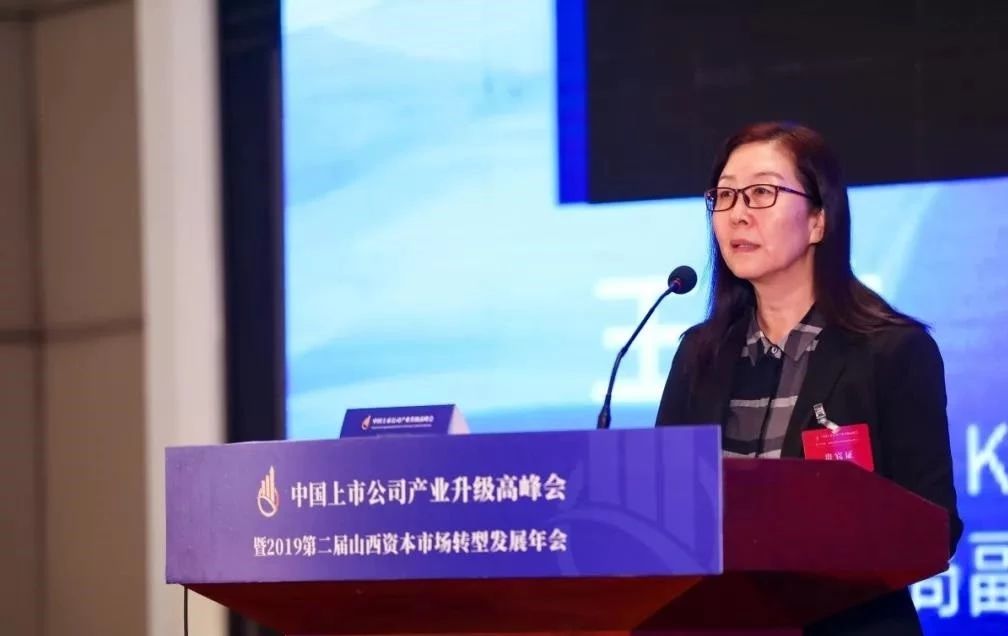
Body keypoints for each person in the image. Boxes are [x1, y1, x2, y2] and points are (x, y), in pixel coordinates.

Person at [655, 122, 962, 635]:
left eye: (762, 192)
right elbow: (663, 508)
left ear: (819, 220)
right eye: (724, 196)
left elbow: (935, 527)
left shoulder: (892, 351)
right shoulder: (698, 354)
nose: (738, 213)